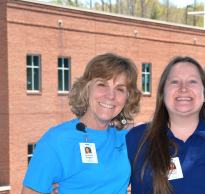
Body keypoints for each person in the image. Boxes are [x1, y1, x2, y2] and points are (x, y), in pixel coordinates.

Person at [22, 53, 142, 194]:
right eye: (102, 84)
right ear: (86, 89)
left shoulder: (127, 139)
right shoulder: (57, 140)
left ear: (127, 99)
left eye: (120, 89)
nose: (110, 95)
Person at [126, 57, 205, 194]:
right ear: (162, 93)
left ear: (204, 95)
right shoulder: (135, 138)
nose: (183, 88)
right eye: (175, 81)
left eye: (192, 81)